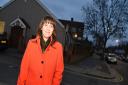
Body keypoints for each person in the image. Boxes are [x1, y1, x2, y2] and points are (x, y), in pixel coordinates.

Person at [17, 16, 64, 85]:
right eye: (46, 25)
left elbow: (59, 72)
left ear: (53, 30)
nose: (48, 28)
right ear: (41, 27)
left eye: (51, 26)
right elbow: (24, 68)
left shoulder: (58, 47)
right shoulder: (31, 44)